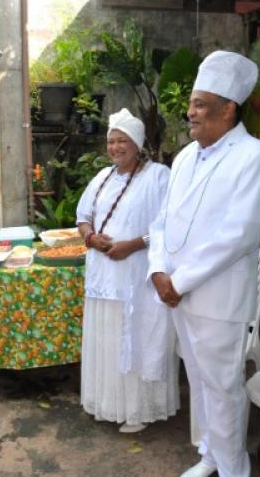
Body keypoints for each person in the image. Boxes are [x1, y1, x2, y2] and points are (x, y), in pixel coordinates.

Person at [148, 51, 260, 477]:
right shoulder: (186, 156)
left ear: (228, 109)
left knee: (223, 386)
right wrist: (157, 270)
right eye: (192, 103)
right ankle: (211, 454)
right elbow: (162, 220)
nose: (190, 112)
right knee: (199, 380)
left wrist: (179, 281)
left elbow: (240, 232)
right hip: (177, 292)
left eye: (200, 104)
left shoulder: (255, 156)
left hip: (218, 297)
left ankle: (233, 469)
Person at [76, 108, 178, 433]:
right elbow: (82, 217)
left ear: (137, 144)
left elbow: (169, 225)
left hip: (137, 276)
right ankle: (107, 405)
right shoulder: (101, 178)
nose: (115, 147)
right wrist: (91, 238)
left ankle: (138, 411)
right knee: (107, 340)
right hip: (103, 277)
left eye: (122, 140)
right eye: (111, 141)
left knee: (136, 338)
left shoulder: (158, 176)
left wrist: (132, 245)